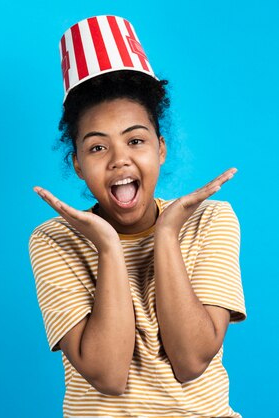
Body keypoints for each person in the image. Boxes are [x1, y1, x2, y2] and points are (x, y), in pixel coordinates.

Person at [28, 15, 247, 418]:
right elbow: (108, 375)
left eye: (135, 140)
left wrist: (166, 235)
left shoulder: (210, 220)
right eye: (97, 148)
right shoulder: (53, 239)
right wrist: (108, 247)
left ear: (160, 149)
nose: (119, 160)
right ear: (77, 164)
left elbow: (191, 360)